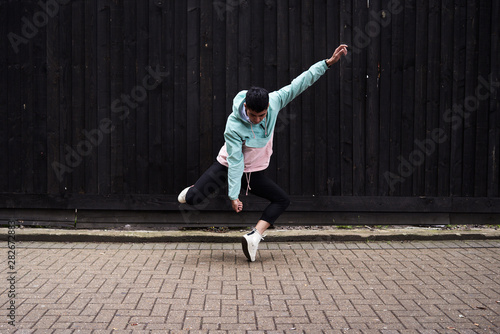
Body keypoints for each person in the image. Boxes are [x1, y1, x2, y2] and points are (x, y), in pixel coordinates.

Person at [178, 44, 348, 262]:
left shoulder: (275, 100)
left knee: (281, 200)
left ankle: (254, 236)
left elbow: (299, 83)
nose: (258, 119)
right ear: (246, 106)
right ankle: (192, 189)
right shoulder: (233, 126)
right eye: (253, 115)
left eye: (262, 115)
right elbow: (236, 161)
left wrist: (327, 63)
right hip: (227, 166)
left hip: (255, 171)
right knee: (192, 199)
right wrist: (233, 196)